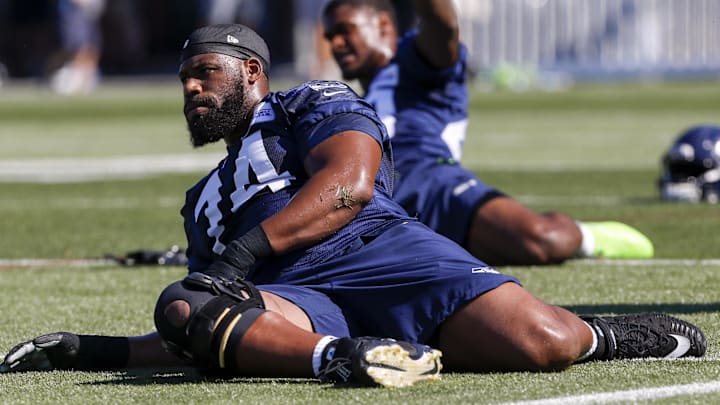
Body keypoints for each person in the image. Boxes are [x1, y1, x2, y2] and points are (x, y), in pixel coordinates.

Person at [0, 23, 706, 387]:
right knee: (183, 303)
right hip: (302, 306)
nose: (190, 90)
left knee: (542, 345)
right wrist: (91, 348)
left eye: (203, 74)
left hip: (379, 251)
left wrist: (248, 250)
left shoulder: (310, 101)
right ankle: (348, 357)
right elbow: (210, 321)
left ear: (250, 72)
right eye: (183, 79)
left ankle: (606, 334)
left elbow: (351, 182)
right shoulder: (202, 201)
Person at [321, 0, 655, 265]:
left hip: (434, 188)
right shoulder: (352, 99)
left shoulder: (414, 59)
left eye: (344, 30)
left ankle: (588, 237)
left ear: (382, 24)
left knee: (540, 240)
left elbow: (444, 25)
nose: (335, 43)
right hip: (384, 207)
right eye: (329, 36)